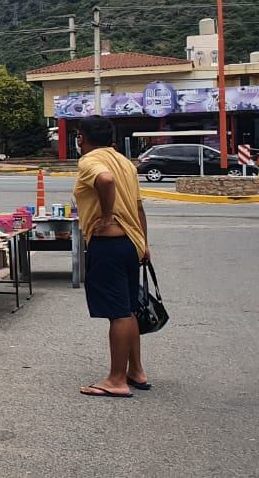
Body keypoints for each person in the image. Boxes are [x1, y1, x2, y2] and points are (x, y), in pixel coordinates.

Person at [73, 115, 151, 398]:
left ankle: (116, 379)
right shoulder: (125, 163)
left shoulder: (91, 162)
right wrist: (144, 242)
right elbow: (138, 207)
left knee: (118, 313)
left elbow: (104, 181)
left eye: (78, 136)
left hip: (109, 245)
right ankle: (135, 371)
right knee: (129, 309)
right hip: (131, 243)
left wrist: (106, 217)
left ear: (82, 138)